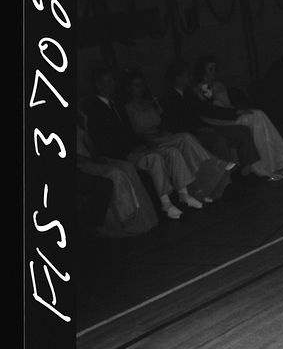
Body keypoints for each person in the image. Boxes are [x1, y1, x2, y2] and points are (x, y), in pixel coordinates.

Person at [84, 66, 200, 220]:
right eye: (108, 81)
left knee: (172, 152)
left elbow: (128, 131)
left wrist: (142, 142)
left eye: (112, 80)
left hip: (134, 147)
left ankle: (184, 193)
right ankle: (165, 203)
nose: (112, 84)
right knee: (154, 158)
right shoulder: (93, 109)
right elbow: (103, 139)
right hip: (120, 153)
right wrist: (131, 148)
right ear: (98, 84)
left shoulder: (116, 104)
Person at [123, 70, 233, 203]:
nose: (140, 88)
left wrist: (162, 125)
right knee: (185, 137)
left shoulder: (150, 103)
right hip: (147, 140)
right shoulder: (127, 107)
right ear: (129, 88)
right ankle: (215, 164)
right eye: (136, 85)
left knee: (187, 144)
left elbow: (162, 121)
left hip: (161, 136)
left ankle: (203, 187)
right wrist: (145, 139)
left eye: (141, 84)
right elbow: (132, 131)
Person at [194, 55, 283, 179]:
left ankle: (278, 158)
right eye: (210, 69)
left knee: (258, 114)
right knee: (253, 118)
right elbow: (209, 111)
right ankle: (262, 165)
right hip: (218, 120)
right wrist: (235, 113)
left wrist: (237, 111)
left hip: (230, 115)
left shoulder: (219, 85)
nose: (214, 72)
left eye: (215, 68)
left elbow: (227, 105)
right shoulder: (197, 89)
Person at [158, 61, 261, 174]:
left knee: (243, 131)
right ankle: (225, 175)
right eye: (187, 75)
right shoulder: (168, 98)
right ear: (178, 78)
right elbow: (175, 123)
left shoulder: (188, 93)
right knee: (218, 140)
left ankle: (248, 169)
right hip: (191, 134)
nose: (190, 78)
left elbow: (207, 109)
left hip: (205, 128)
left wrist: (235, 112)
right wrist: (197, 130)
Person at [75, 111, 159, 237]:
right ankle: (125, 217)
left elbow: (89, 143)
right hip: (80, 165)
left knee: (128, 167)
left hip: (91, 159)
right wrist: (91, 160)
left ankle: (143, 218)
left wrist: (97, 157)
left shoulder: (80, 118)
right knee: (115, 173)